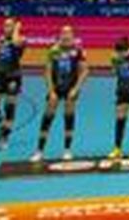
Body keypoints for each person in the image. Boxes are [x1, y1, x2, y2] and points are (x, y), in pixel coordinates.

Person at [32, 25, 88, 162]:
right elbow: (47, 71)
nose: (66, 35)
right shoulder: (53, 51)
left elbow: (85, 71)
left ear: (73, 36)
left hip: (70, 88)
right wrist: (51, 91)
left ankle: (67, 150)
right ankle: (39, 151)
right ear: (60, 35)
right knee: (48, 116)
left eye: (69, 33)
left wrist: (76, 89)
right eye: (63, 32)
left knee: (68, 116)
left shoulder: (78, 51)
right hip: (56, 88)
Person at [0, 17, 26, 150]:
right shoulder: (1, 40)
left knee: (9, 108)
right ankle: (3, 124)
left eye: (9, 25)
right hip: (0, 77)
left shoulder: (21, 39)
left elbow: (15, 44)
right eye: (5, 25)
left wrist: (17, 29)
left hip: (13, 78)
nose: (6, 28)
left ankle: (3, 138)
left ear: (15, 27)